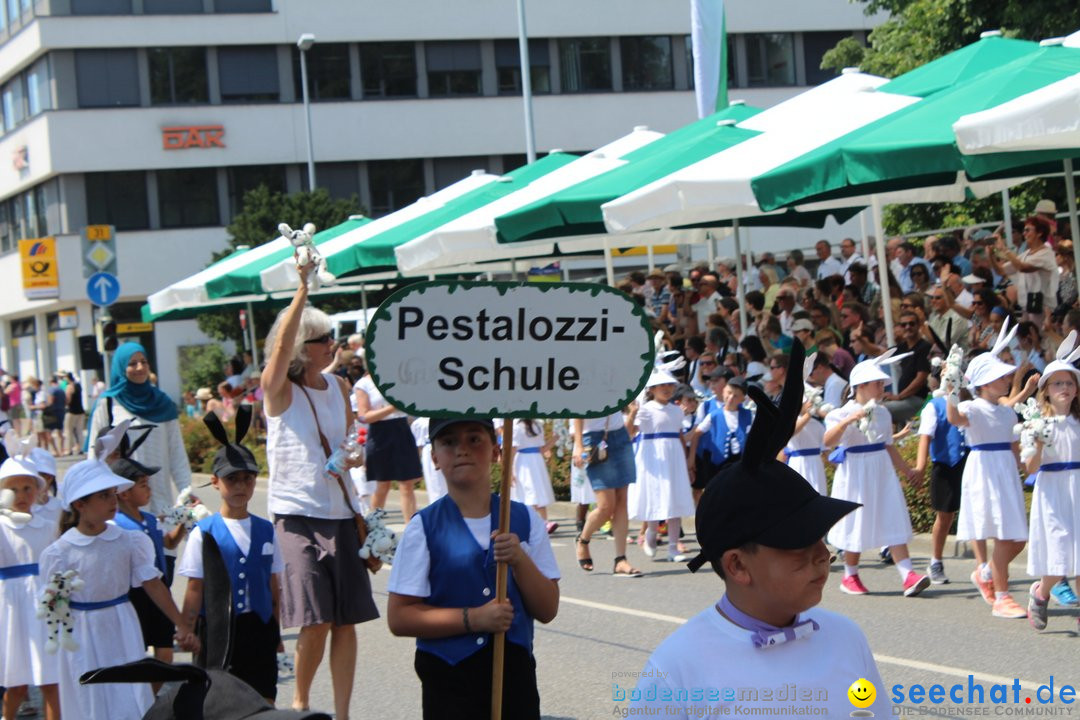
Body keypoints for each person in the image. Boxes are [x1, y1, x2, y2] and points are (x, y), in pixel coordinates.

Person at [628, 340, 889, 719]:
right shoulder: (678, 668)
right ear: (737, 566)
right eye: (797, 546)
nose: (822, 555)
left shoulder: (846, 638)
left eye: (819, 537)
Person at [261, 262, 378, 718]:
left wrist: (353, 458)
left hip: (341, 511)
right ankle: (301, 704)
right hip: (296, 514)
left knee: (346, 620)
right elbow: (279, 346)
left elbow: (352, 446)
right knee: (315, 618)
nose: (333, 345)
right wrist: (302, 289)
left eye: (332, 337)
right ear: (301, 348)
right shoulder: (279, 390)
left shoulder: (339, 385)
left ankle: (343, 713)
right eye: (324, 339)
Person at [387, 417, 560, 720]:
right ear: (434, 458)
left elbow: (547, 609)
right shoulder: (423, 527)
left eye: (474, 439)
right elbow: (400, 617)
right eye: (449, 442)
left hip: (514, 673)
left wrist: (520, 560)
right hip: (448, 678)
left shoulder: (526, 520)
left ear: (496, 451)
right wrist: (474, 618)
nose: (462, 450)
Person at [39, 435, 194, 720]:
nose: (113, 500)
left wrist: (181, 622)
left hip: (121, 624)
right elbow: (52, 607)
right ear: (79, 505)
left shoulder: (128, 541)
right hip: (82, 633)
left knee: (127, 694)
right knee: (89, 698)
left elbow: (152, 583)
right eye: (103, 495)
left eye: (112, 493)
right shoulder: (59, 552)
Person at [179, 409, 283, 703]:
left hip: (259, 628)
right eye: (232, 479)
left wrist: (275, 632)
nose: (240, 486)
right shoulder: (204, 531)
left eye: (248, 479)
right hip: (217, 630)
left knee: (263, 698)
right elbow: (195, 588)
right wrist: (187, 628)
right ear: (215, 482)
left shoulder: (266, 530)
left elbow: (274, 587)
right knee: (218, 701)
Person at [824, 350, 929, 597]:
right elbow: (828, 441)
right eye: (877, 383)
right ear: (860, 386)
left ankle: (908, 575)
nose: (882, 387)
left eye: (882, 383)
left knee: (890, 512)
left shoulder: (882, 412)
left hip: (880, 467)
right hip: (855, 471)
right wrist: (848, 420)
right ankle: (850, 575)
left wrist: (907, 470)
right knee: (856, 520)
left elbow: (887, 444)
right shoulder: (839, 413)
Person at [944, 320, 1030, 619]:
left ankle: (989, 574)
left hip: (1005, 471)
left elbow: (1016, 447)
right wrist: (951, 390)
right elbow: (954, 418)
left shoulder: (1007, 412)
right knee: (1002, 534)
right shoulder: (973, 408)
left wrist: (1028, 466)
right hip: (983, 471)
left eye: (1006, 377)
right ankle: (1002, 595)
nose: (1006, 380)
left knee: (1018, 537)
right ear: (982, 384)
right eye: (1000, 378)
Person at [87, 342, 192, 518]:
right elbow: (94, 455)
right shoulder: (108, 404)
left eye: (144, 361)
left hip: (159, 497)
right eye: (132, 363)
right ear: (120, 368)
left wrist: (186, 492)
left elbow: (177, 454)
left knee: (162, 542)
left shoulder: (163, 403)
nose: (140, 367)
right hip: (122, 500)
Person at [110, 451, 186, 675]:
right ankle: (143, 698)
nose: (149, 489)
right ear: (124, 493)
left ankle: (153, 697)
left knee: (164, 647)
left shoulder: (150, 519)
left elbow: (169, 543)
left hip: (159, 591)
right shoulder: (117, 525)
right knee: (136, 651)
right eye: (143, 484)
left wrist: (183, 522)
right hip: (135, 595)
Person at [0, 440, 60, 720]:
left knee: (50, 678)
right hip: (10, 606)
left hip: (43, 603)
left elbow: (58, 564)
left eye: (27, 488)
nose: (21, 495)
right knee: (15, 680)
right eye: (12, 489)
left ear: (39, 491)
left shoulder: (48, 526)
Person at [1024, 334, 1080, 629]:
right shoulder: (1038, 424)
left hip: (1078, 488)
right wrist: (1037, 442)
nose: (1065, 388)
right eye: (1058, 383)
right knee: (1058, 553)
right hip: (1054, 492)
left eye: (1070, 383)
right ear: (1045, 390)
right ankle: (1041, 592)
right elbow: (1030, 466)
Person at [628, 371, 696, 563]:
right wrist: (633, 413)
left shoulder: (676, 410)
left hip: (674, 457)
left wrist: (687, 462)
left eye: (669, 385)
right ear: (652, 389)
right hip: (653, 458)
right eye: (661, 386)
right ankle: (651, 532)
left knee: (675, 500)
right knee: (656, 496)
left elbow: (680, 435)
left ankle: (673, 548)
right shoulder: (647, 409)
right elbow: (632, 432)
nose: (666, 389)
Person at [572, 407, 640, 577]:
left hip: (619, 434)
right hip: (593, 438)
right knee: (605, 507)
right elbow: (576, 409)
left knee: (622, 501)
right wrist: (578, 445)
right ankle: (583, 539)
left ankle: (621, 559)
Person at [914, 388, 969, 586]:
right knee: (945, 515)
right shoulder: (935, 405)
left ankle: (987, 568)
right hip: (946, 464)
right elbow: (925, 437)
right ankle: (936, 561)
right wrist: (920, 467)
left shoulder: (972, 400)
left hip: (971, 462)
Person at [355, 364, 423, 523]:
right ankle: (373, 527)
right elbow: (364, 416)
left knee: (407, 484)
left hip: (401, 429)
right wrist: (392, 407)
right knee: (382, 484)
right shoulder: (363, 384)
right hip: (380, 433)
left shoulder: (398, 380)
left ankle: (411, 529)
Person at [688, 375, 752, 503]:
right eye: (729, 393)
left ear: (743, 399)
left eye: (736, 395)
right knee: (716, 495)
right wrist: (691, 458)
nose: (731, 398)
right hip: (717, 463)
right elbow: (696, 434)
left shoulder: (749, 415)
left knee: (737, 495)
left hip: (739, 462)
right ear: (723, 391)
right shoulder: (714, 415)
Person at [993, 216, 1058, 325]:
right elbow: (1000, 271)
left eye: (1028, 230)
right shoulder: (1026, 254)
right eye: (1024, 230)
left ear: (1040, 233)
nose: (1024, 234)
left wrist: (1004, 249)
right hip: (1027, 307)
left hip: (1043, 308)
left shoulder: (1046, 254)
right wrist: (990, 254)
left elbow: (1023, 268)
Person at [785, 353, 828, 495]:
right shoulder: (792, 421)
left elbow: (826, 449)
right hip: (798, 464)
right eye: (805, 402)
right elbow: (791, 432)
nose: (808, 405)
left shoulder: (818, 425)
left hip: (816, 465)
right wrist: (808, 415)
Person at [883, 311, 932, 427]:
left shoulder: (924, 347)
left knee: (880, 410)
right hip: (904, 399)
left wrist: (899, 397)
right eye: (904, 325)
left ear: (918, 326)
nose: (908, 327)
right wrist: (861, 340)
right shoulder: (902, 347)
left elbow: (921, 379)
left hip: (918, 400)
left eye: (911, 324)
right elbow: (880, 354)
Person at [509, 419, 557, 534]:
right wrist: (510, 471)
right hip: (524, 463)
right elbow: (512, 450)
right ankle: (532, 523)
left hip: (536, 461)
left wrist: (555, 439)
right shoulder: (517, 427)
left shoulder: (537, 425)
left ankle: (544, 522)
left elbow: (542, 449)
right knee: (529, 492)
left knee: (539, 492)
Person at [411, 417, 447, 504]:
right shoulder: (419, 423)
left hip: (448, 446)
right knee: (435, 484)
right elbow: (418, 445)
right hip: (430, 449)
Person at [62, 372, 86, 456]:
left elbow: (68, 399)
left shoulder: (69, 386)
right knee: (79, 431)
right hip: (80, 410)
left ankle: (69, 449)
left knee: (68, 431)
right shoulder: (78, 386)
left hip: (71, 410)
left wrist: (64, 404)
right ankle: (82, 448)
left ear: (67, 378)